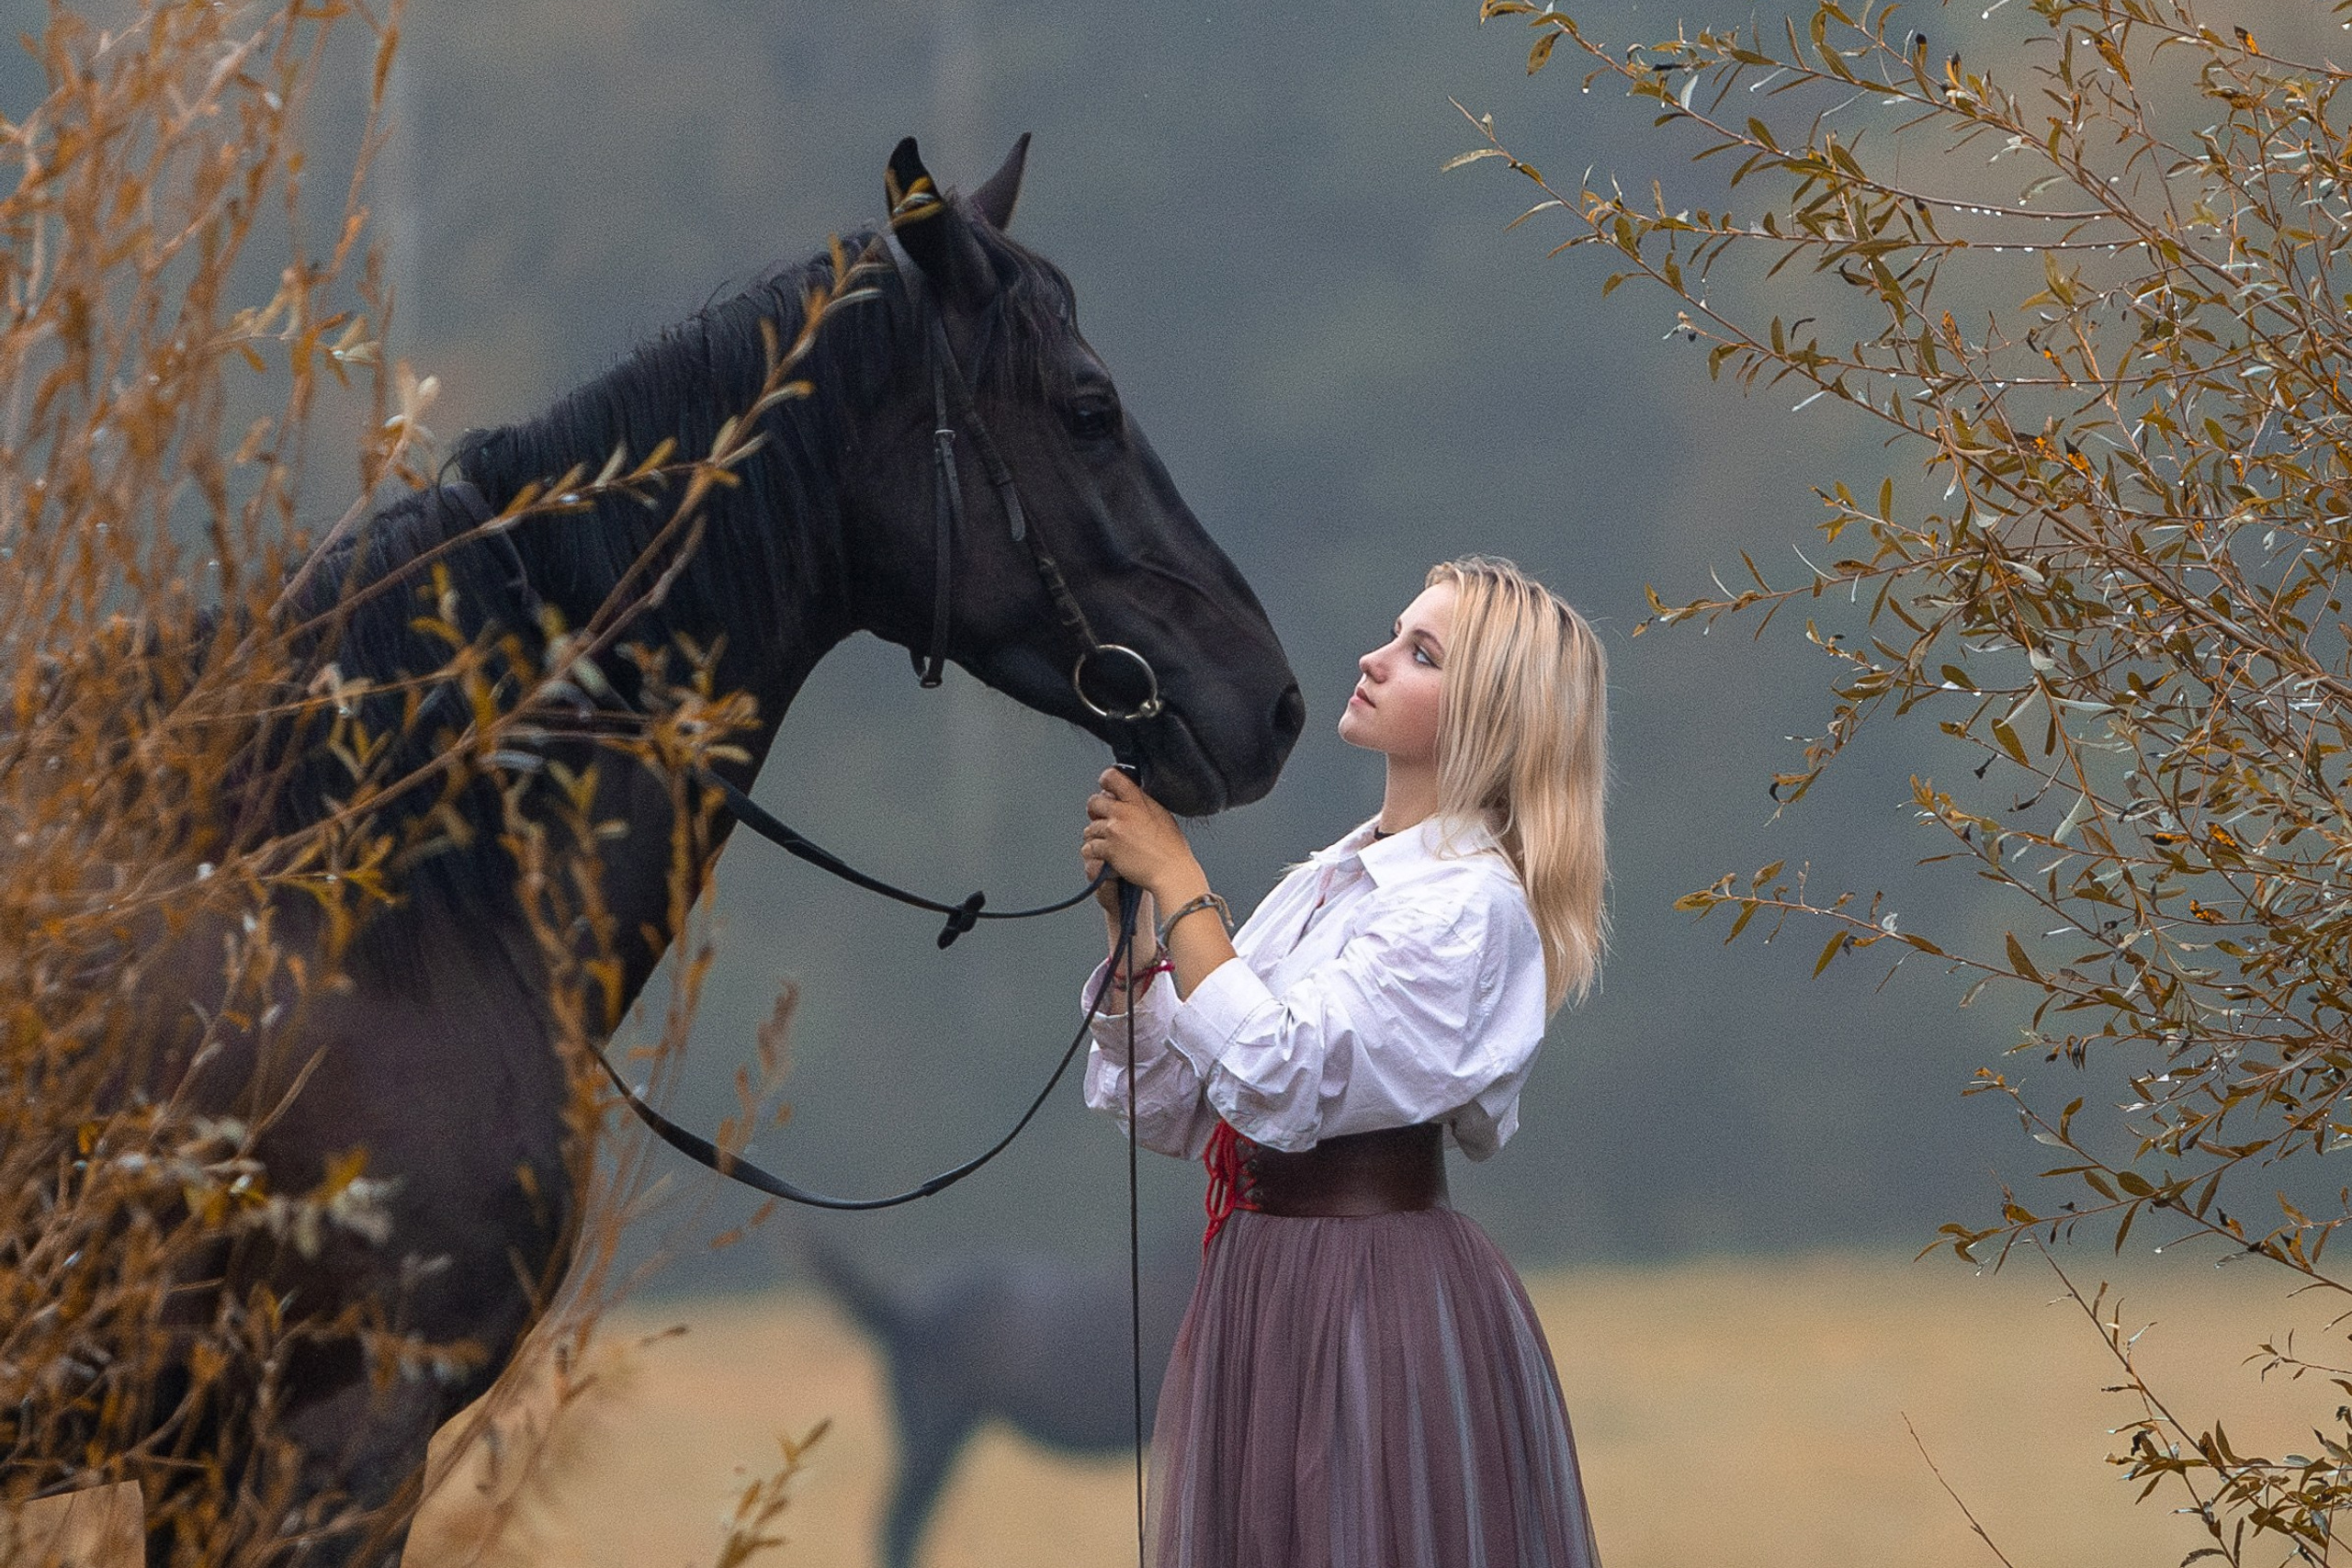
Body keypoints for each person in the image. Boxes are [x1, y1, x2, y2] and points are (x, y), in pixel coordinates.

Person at [1078, 555, 1609, 1568]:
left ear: (1489, 713)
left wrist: (1182, 878)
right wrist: (1137, 931)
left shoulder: (1467, 906)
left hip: (1372, 1292)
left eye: (1420, 653)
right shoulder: (1329, 879)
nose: (1371, 658)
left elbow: (1280, 1076)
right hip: (1259, 1280)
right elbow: (1173, 1108)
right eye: (1394, 632)